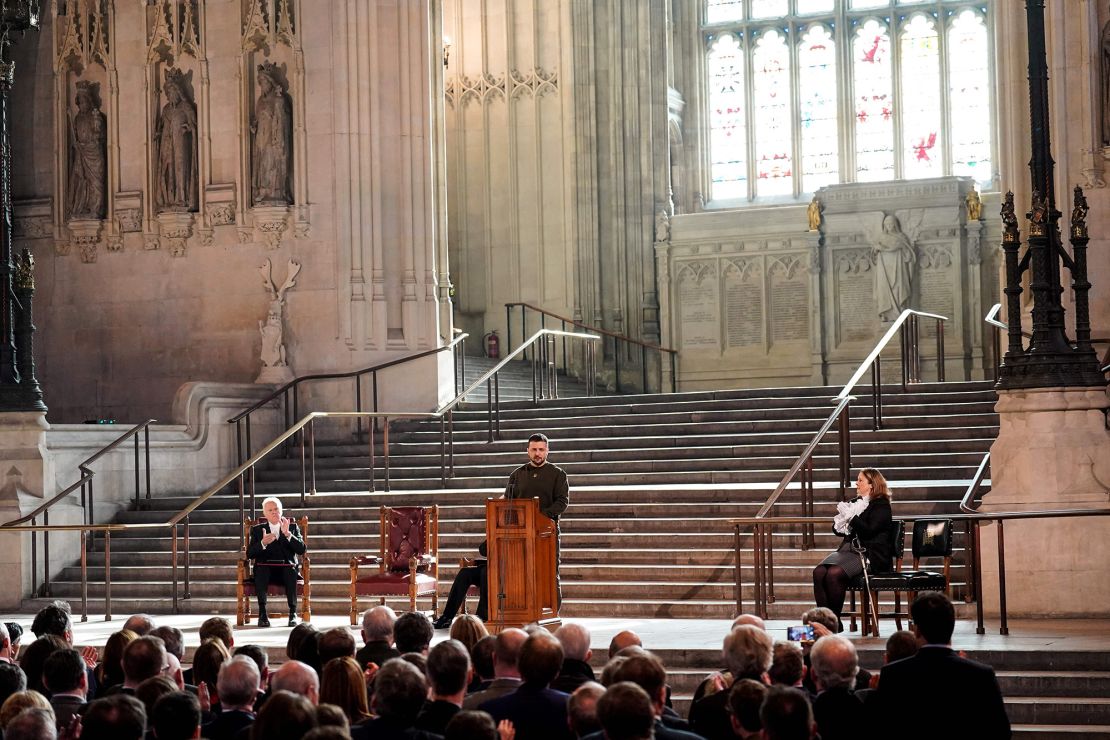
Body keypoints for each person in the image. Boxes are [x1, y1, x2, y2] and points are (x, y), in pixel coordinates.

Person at [435, 433, 570, 628]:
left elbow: (562, 502)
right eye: (534, 449)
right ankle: (452, 618)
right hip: (516, 535)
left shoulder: (558, 474)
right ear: (528, 451)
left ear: (547, 451)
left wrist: (537, 517)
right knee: (482, 572)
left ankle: (551, 614)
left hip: (544, 535)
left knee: (549, 574)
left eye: (541, 449)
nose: (537, 453)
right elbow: (508, 502)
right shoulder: (517, 474)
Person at [876, 591, 1011, 739]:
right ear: (951, 627)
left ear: (917, 631)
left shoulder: (893, 674)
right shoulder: (981, 675)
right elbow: (1000, 732)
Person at [811, 468, 893, 631]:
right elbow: (839, 530)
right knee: (819, 572)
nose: (857, 483)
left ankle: (833, 622)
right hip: (849, 549)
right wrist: (839, 524)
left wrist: (852, 518)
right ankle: (825, 622)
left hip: (869, 553)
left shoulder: (881, 506)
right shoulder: (856, 502)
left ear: (871, 485)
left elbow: (869, 531)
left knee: (834, 573)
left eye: (861, 480)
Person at [246, 496, 307, 627]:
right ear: (264, 513)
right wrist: (262, 543)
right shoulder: (257, 530)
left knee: (290, 570)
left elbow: (301, 549)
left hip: (286, 570)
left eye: (276, 509)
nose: (274, 512)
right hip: (265, 570)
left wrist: (287, 534)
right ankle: (262, 614)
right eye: (270, 510)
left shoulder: (292, 527)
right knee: (261, 570)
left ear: (281, 511)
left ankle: (292, 613)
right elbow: (249, 554)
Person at [252, 62, 293, 205]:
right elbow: (257, 119)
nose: (262, 85)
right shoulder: (259, 101)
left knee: (272, 163)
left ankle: (275, 191)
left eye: (264, 82)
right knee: (263, 165)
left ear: (270, 82)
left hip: (273, 138)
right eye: (260, 83)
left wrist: (279, 139)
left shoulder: (278, 99)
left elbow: (282, 121)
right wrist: (254, 127)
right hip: (261, 139)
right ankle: (263, 191)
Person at [67, 81, 107, 220]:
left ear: (89, 101)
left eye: (85, 102)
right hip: (82, 154)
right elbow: (75, 139)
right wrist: (77, 145)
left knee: (96, 182)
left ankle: (96, 209)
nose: (82, 105)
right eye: (80, 102)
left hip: (94, 154)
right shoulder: (77, 118)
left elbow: (101, 136)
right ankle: (82, 206)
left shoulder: (96, 116)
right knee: (81, 180)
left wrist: (97, 131)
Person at [873, 215, 915, 322]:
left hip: (898, 267)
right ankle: (885, 313)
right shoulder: (881, 238)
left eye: (891, 224)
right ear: (884, 226)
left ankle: (900, 311)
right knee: (884, 290)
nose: (889, 226)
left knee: (898, 288)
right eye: (887, 224)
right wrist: (877, 249)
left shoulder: (901, 237)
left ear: (895, 224)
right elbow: (874, 255)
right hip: (884, 269)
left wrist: (902, 247)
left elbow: (909, 255)